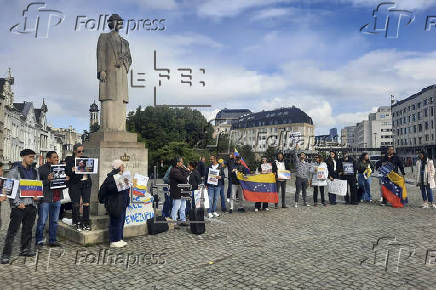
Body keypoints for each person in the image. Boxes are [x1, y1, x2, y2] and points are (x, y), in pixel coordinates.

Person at [1, 149, 40, 264]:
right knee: (12, 231)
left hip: (31, 206)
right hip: (18, 207)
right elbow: (8, 189)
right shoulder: (14, 171)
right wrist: (17, 203)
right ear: (23, 157)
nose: (32, 159)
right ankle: (5, 255)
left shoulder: (35, 171)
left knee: (28, 229)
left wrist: (37, 197)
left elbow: (37, 187)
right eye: (30, 157)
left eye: (33, 157)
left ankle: (25, 249)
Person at [35, 151, 65, 247]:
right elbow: (36, 185)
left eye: (57, 157)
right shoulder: (41, 169)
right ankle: (39, 240)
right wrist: (47, 180)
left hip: (57, 198)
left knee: (55, 221)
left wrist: (65, 181)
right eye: (54, 157)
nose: (57, 159)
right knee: (42, 221)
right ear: (48, 159)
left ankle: (52, 240)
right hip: (45, 199)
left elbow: (62, 186)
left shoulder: (61, 168)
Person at [99, 160, 130, 248]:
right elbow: (109, 189)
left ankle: (119, 238)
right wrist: (119, 185)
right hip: (115, 202)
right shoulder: (111, 177)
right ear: (119, 167)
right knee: (115, 221)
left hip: (122, 202)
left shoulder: (123, 175)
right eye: (122, 166)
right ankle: (114, 240)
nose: (124, 168)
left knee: (121, 221)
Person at [65, 143, 92, 231]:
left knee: (86, 203)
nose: (81, 153)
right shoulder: (69, 159)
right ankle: (77, 222)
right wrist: (73, 170)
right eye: (79, 151)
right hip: (75, 184)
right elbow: (67, 171)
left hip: (86, 183)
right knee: (75, 204)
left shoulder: (86, 158)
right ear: (74, 151)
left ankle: (86, 222)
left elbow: (91, 169)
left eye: (82, 151)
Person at [169, 157, 190, 227]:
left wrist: (185, 170)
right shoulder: (174, 170)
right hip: (177, 191)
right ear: (177, 163)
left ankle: (183, 220)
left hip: (183, 191)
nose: (182, 163)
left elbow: (184, 175)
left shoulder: (180, 169)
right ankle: (174, 222)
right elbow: (182, 179)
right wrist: (187, 172)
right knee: (176, 207)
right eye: (181, 162)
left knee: (183, 207)